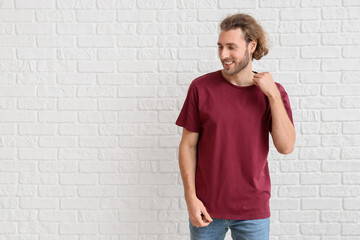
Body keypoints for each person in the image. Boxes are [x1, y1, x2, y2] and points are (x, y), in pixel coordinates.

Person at [175, 13, 296, 240]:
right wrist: (191, 198)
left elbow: (286, 146)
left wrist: (271, 94)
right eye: (220, 47)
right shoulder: (201, 88)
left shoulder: (274, 92)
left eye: (231, 47)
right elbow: (187, 146)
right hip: (206, 208)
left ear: (252, 46)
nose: (223, 55)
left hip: (253, 210)